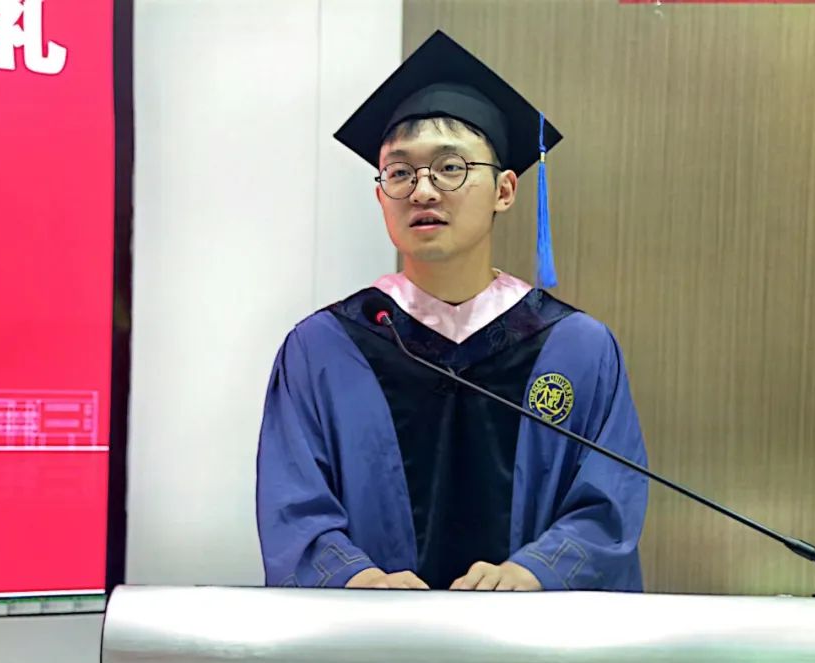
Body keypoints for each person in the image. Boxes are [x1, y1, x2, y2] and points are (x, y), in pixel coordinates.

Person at [255, 31, 649, 591]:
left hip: (529, 635)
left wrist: (534, 573)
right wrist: (355, 580)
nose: (423, 191)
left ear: (505, 190)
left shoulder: (576, 347)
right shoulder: (324, 348)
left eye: (450, 168)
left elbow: (609, 504)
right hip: (372, 635)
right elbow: (293, 506)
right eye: (400, 173)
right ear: (381, 195)